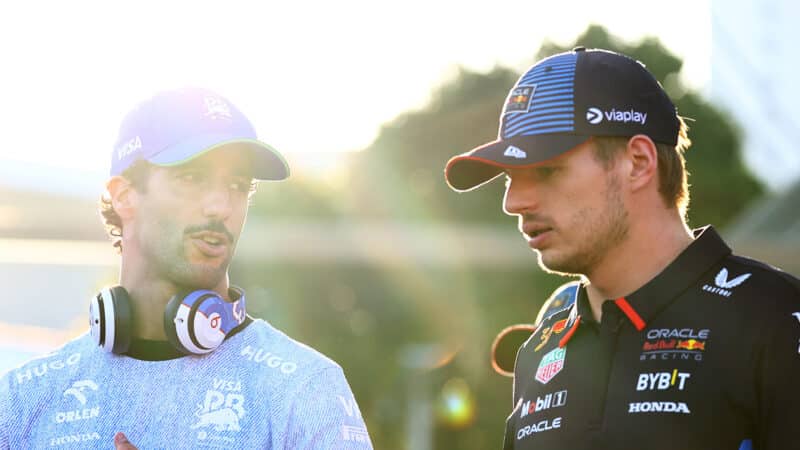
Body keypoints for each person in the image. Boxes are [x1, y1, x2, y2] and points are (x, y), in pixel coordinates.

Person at [444, 47, 800, 449]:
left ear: (639, 162)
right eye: (510, 177)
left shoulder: (776, 321)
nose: (514, 202)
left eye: (546, 170)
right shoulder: (540, 348)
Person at [0, 88, 374, 449]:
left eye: (237, 185)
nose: (220, 206)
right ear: (124, 195)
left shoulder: (306, 388)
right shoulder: (24, 399)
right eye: (192, 178)